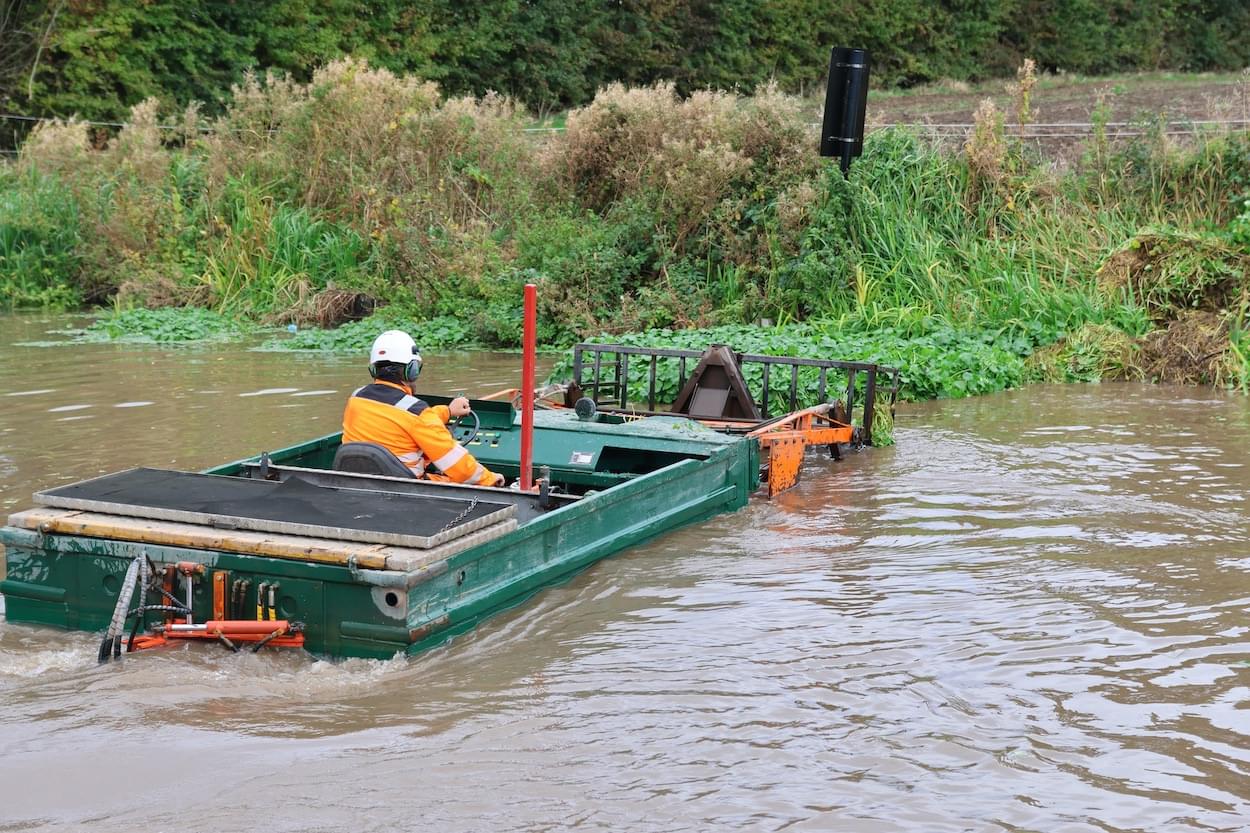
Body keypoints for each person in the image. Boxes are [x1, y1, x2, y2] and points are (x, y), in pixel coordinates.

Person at [342, 330, 505, 486]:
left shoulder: (356, 398)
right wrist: (491, 479)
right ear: (411, 371)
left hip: (359, 482)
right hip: (408, 489)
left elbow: (398, 417)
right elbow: (461, 469)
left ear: (373, 369)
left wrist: (447, 411)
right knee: (472, 484)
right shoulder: (418, 413)